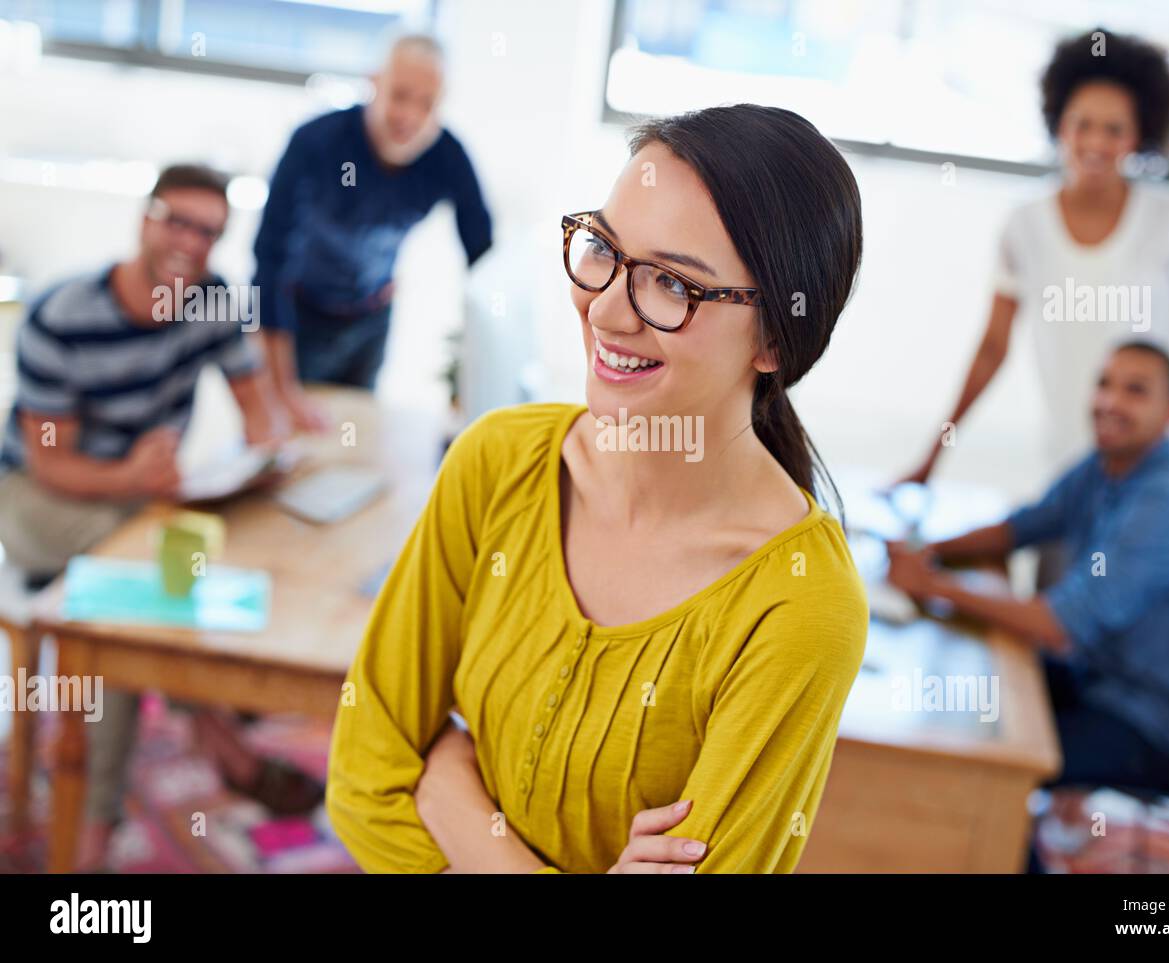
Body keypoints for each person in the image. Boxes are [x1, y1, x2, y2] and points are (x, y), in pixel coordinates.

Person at [326, 104, 869, 873]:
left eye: (673, 284)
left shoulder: (799, 606)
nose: (607, 310)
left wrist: (450, 783)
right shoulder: (497, 461)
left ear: (777, 337)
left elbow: (408, 770)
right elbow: (362, 769)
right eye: (605, 250)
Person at [0, 164, 321, 871]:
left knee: (165, 573)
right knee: (134, 594)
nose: (189, 240)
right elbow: (50, 461)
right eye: (176, 219)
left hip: (138, 500)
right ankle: (106, 821)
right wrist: (130, 476)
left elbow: (255, 410)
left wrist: (273, 451)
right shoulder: (62, 314)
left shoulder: (211, 301)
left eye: (207, 230)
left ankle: (199, 742)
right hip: (36, 497)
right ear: (144, 219)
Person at [886, 342, 1169, 868]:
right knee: (958, 706)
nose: (1110, 401)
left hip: (1152, 722)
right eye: (1105, 383)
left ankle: (1007, 853)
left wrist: (932, 587)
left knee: (985, 765)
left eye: (1135, 390)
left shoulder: (1166, 499)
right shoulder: (1109, 464)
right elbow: (1022, 527)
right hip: (1105, 677)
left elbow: (1058, 626)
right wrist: (928, 552)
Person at [902, 27, 1169, 507]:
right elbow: (993, 349)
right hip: (1071, 461)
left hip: (1166, 460)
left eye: (1114, 129)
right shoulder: (1024, 227)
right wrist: (932, 458)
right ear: (1060, 126)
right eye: (1083, 124)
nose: (1096, 142)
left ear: (1138, 136)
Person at [252, 34, 492, 429]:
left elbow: (482, 257)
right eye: (399, 96)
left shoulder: (448, 156)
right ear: (374, 84)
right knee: (297, 431)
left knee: (353, 431)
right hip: (300, 319)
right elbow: (269, 258)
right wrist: (279, 385)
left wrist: (473, 372)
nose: (410, 117)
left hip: (372, 318)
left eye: (427, 103)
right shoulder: (314, 142)